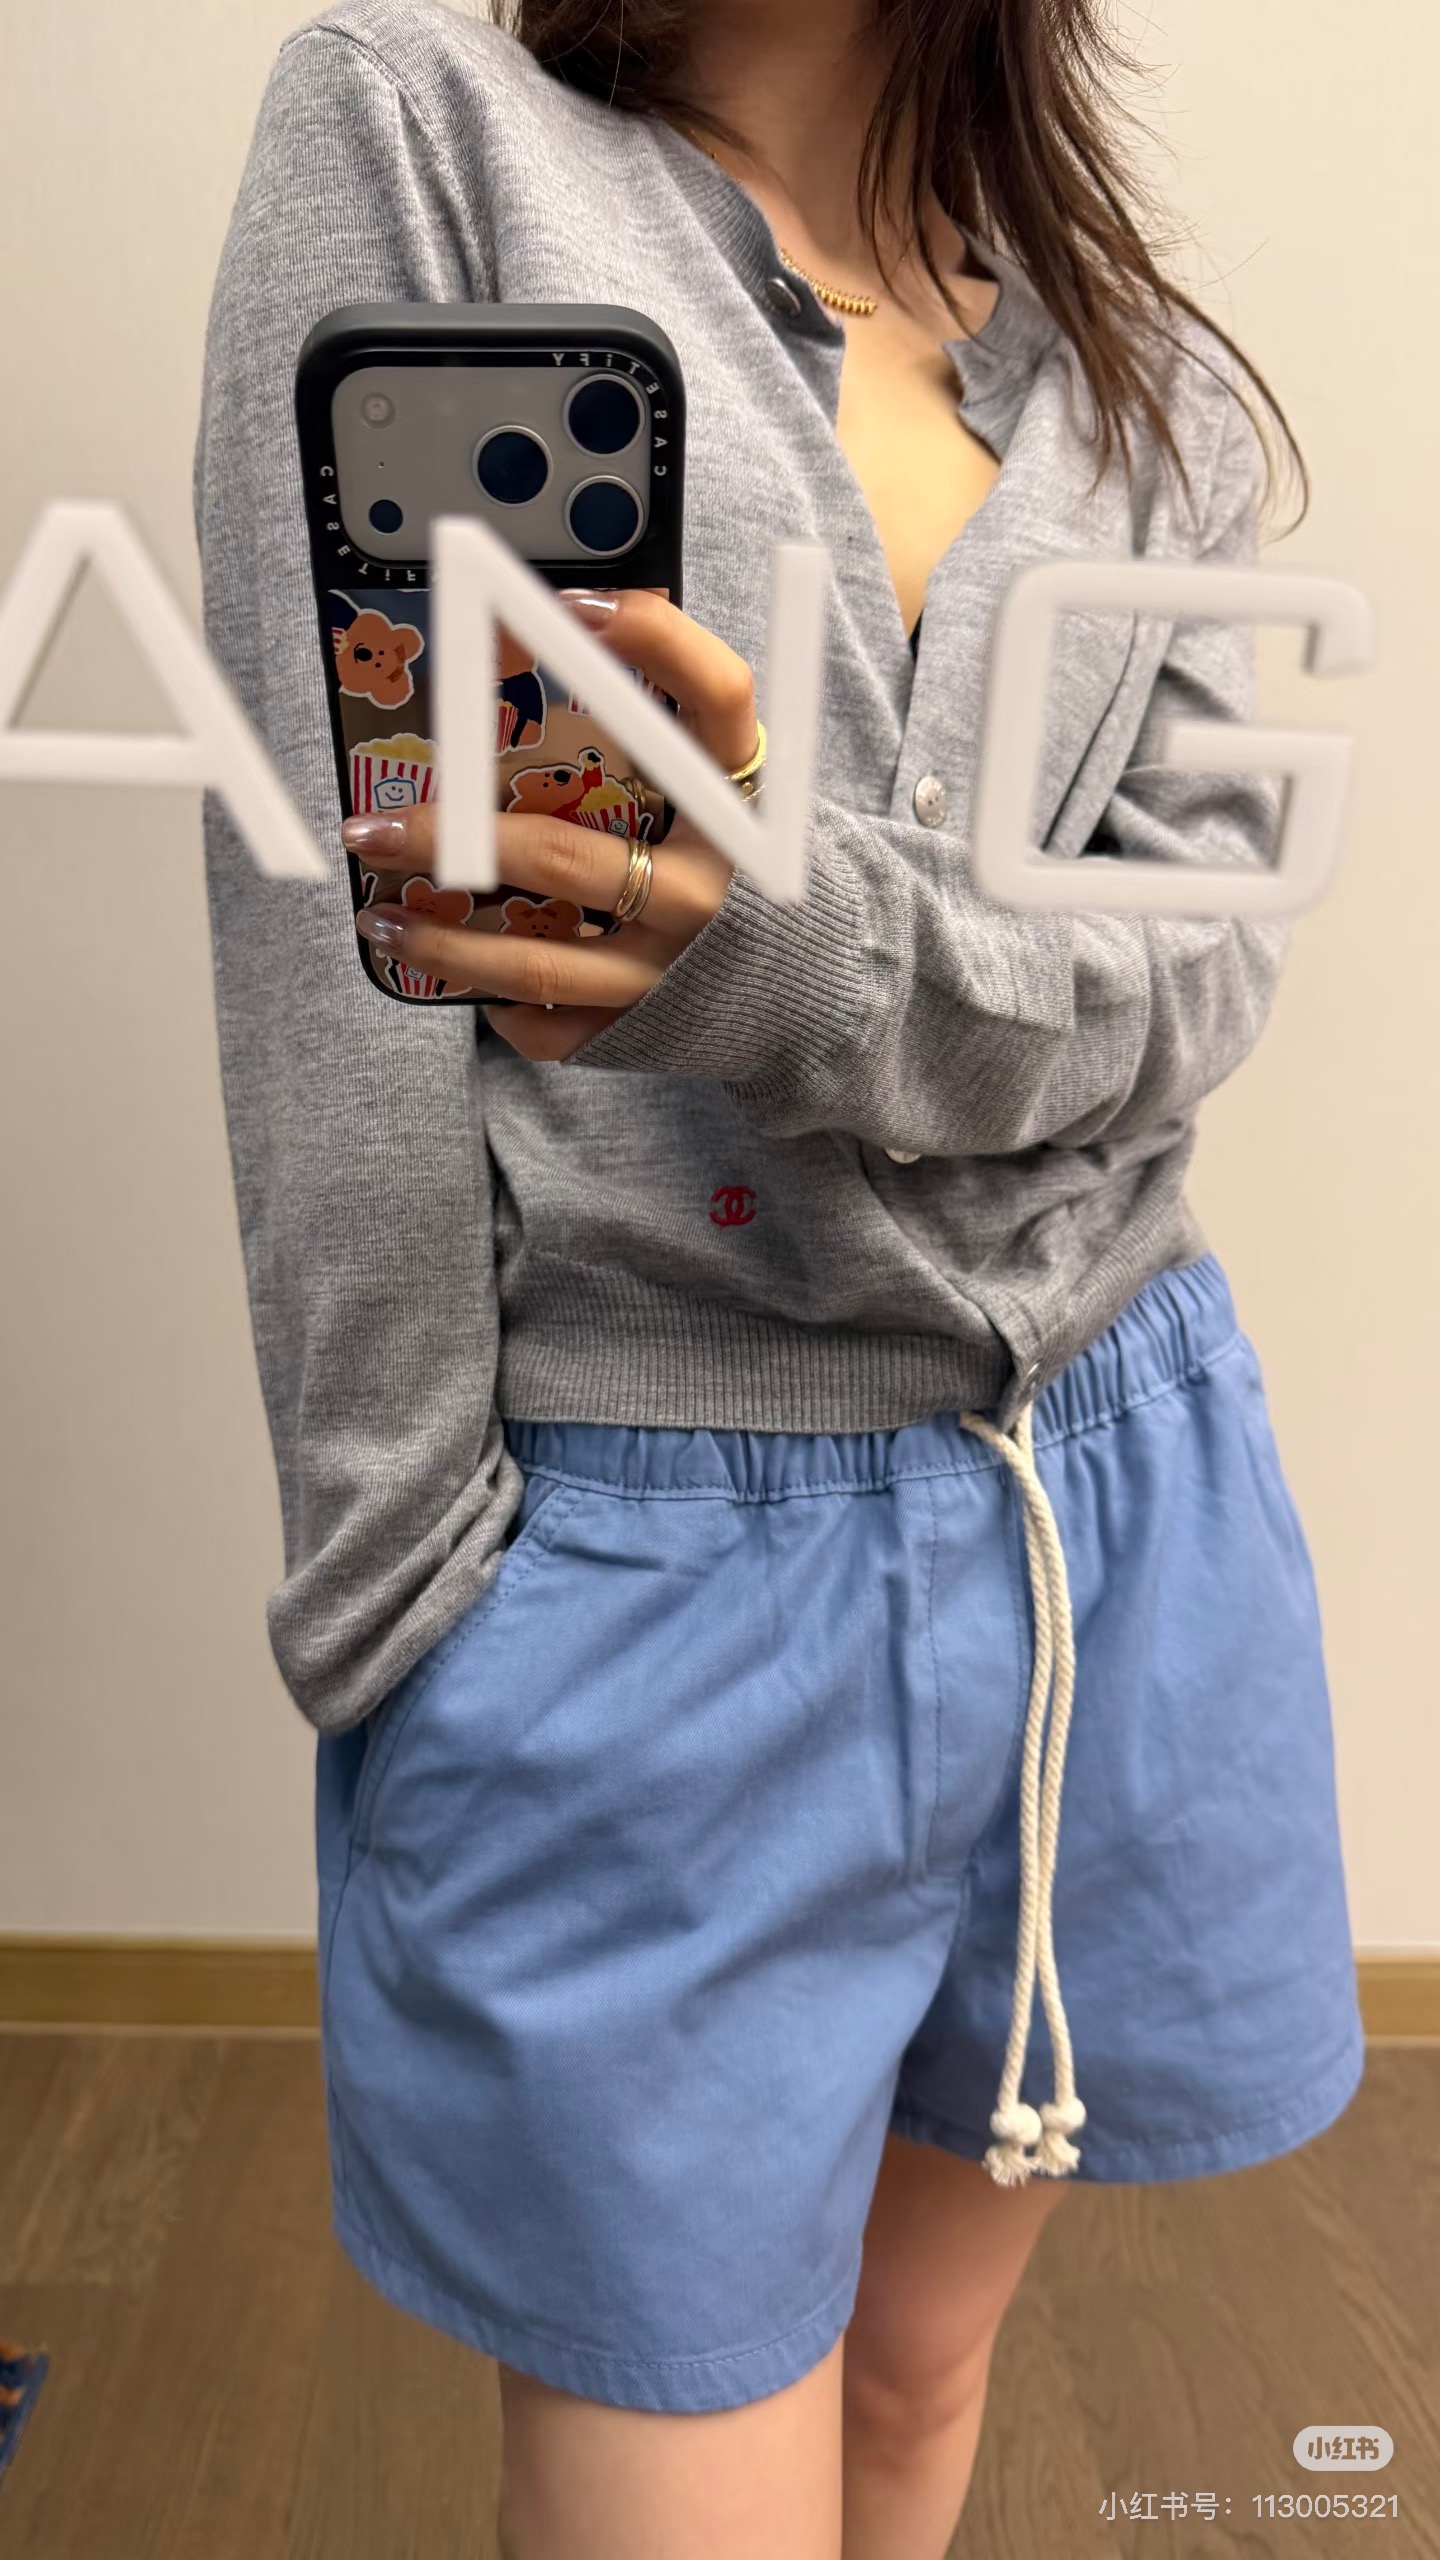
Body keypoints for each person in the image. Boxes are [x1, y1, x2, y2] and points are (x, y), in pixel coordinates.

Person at [194, 1, 1364, 2553]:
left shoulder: (1135, 355)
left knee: (919, 2383)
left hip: (1114, 1511)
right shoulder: (423, 135)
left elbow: (1191, 968)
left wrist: (792, 950)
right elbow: (340, 928)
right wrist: (402, 1581)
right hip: (649, 1564)